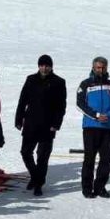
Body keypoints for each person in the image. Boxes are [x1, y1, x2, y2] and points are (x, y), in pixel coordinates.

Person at [15, 55, 67, 196]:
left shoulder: (59, 82)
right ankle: (36, 176)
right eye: (41, 65)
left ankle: (38, 185)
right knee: (25, 152)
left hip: (48, 125)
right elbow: (22, 100)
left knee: (42, 157)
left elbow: (61, 106)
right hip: (31, 123)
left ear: (51, 66)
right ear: (38, 66)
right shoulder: (31, 79)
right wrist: (19, 119)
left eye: (47, 65)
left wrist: (56, 124)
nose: (44, 68)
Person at [76, 56, 110, 198]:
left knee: (105, 159)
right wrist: (96, 115)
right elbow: (80, 104)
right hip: (91, 126)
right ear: (93, 67)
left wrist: (108, 115)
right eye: (98, 67)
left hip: (107, 128)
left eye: (103, 67)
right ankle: (87, 188)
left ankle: (100, 187)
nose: (100, 70)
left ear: (106, 68)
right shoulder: (85, 84)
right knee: (89, 159)